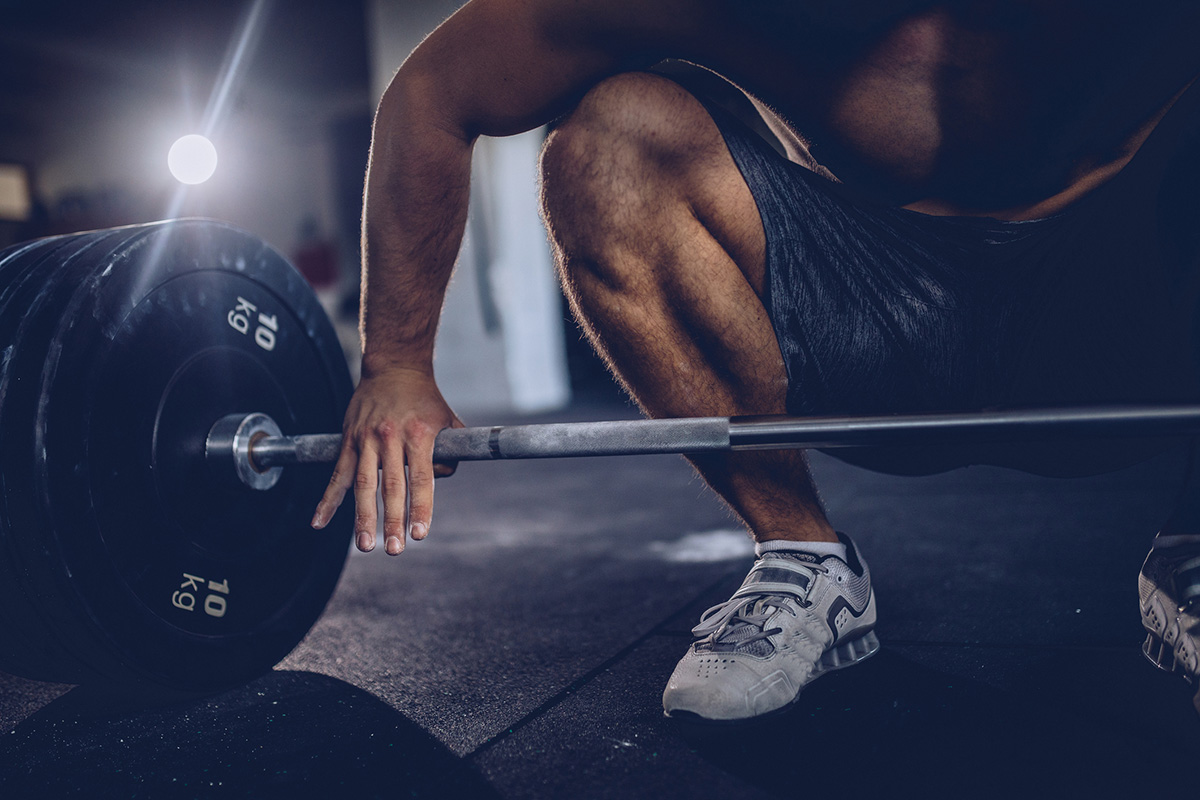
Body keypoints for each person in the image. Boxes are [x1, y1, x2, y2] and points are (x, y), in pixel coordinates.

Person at [309, 0, 1200, 721]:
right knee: (613, 139)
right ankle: (802, 558)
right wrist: (395, 362)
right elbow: (436, 89)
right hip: (862, 327)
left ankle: (1191, 549)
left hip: (1118, 315)